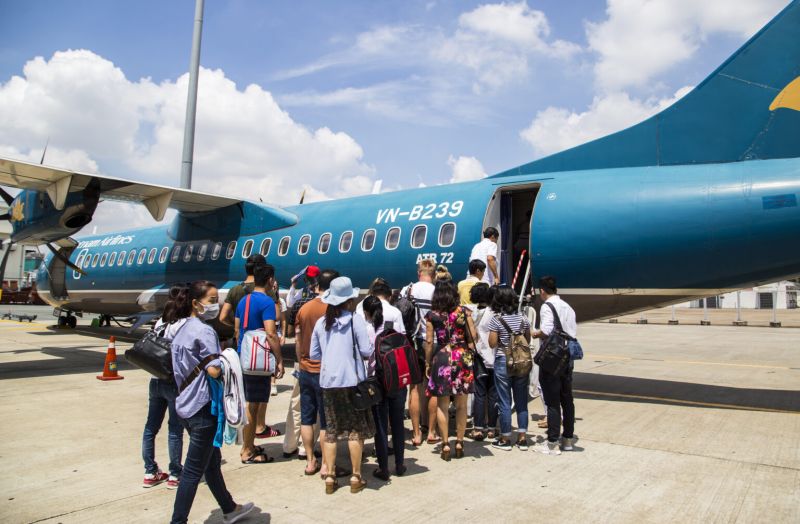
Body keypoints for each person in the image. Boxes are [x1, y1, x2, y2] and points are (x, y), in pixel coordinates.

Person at [168, 281, 254, 524]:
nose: (216, 305)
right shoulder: (204, 331)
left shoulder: (180, 328)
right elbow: (214, 371)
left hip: (185, 403)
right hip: (203, 406)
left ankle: (229, 508)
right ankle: (178, 521)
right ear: (196, 303)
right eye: (212, 300)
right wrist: (228, 358)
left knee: (212, 462)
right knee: (194, 470)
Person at [310, 277, 375, 494]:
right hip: (352, 381)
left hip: (328, 383)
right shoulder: (355, 320)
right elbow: (366, 351)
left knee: (331, 431)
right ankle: (356, 476)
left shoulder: (321, 323)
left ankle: (330, 477)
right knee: (355, 430)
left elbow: (314, 354)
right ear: (349, 300)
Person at [221, 254, 281, 436]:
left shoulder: (238, 294)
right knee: (257, 401)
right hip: (259, 355)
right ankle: (256, 433)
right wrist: (278, 359)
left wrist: (244, 332)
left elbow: (226, 320)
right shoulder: (267, 297)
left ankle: (248, 435)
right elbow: (273, 325)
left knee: (247, 398)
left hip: (243, 351)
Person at [234, 263, 285, 464]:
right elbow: (271, 333)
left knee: (250, 402)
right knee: (253, 406)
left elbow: (237, 329)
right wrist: (279, 360)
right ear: (271, 280)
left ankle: (249, 444)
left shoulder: (243, 301)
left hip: (243, 355)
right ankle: (247, 450)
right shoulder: (266, 303)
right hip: (258, 360)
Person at [424, 279, 477, 461]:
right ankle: (460, 441)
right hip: (462, 357)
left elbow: (429, 342)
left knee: (443, 405)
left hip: (442, 358)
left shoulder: (432, 315)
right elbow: (474, 336)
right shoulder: (464, 312)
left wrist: (428, 362)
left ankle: (445, 443)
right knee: (462, 404)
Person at [295, 269, 340, 476]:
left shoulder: (304, 309)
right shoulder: (333, 309)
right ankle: (325, 464)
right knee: (326, 419)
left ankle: (310, 461)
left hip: (305, 368)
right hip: (325, 370)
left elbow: (297, 341)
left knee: (307, 418)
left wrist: (300, 362)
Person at [141, 291, 185, 489]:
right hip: (173, 382)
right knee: (175, 430)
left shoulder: (160, 323)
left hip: (155, 379)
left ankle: (150, 471)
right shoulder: (182, 326)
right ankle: (175, 474)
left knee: (151, 428)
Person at [362, 295, 408, 481]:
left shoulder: (367, 329)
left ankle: (383, 467)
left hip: (378, 382)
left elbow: (365, 355)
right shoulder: (393, 327)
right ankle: (400, 464)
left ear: (367, 313)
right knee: (398, 423)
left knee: (380, 426)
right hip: (397, 380)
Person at [532, 275, 577, 455]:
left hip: (552, 357)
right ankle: (567, 439)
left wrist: (534, 333)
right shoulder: (568, 306)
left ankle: (551, 443)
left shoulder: (547, 306)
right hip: (568, 356)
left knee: (552, 401)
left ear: (542, 291)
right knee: (567, 399)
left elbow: (546, 331)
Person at [487, 286, 531, 451]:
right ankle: (522, 437)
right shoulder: (522, 318)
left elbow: (492, 343)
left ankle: (505, 437)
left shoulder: (496, 319)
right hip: (521, 362)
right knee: (521, 400)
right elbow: (527, 339)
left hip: (502, 361)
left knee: (504, 401)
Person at [399, 259, 436, 446]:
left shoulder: (408, 289)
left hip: (412, 342)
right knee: (432, 387)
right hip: (432, 342)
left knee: (413, 387)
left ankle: (415, 433)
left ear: (418, 272)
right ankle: (431, 431)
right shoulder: (436, 292)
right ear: (434, 274)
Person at [468, 283, 498, 441]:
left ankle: (478, 427)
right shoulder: (493, 312)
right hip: (493, 356)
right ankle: (492, 428)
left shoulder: (470, 312)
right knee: (493, 394)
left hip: (477, 357)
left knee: (479, 394)